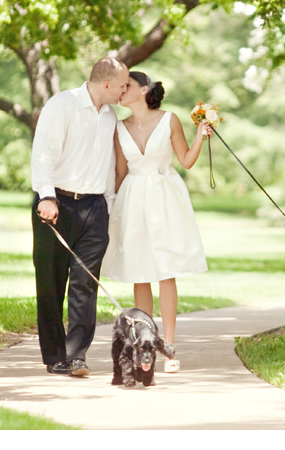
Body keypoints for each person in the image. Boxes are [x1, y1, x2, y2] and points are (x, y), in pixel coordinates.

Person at [101, 71, 211, 373]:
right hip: (133, 198)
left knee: (166, 270)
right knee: (139, 270)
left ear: (144, 89)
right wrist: (109, 206)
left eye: (128, 86)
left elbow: (186, 160)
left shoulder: (170, 119)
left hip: (165, 198)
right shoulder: (119, 127)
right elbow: (121, 171)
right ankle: (143, 345)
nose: (122, 90)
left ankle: (170, 349)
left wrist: (201, 135)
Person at [31, 56, 129, 377]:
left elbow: (109, 164)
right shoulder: (62, 106)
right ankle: (54, 354)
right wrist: (46, 195)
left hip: (94, 208)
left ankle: (76, 356)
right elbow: (43, 152)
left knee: (85, 285)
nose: (125, 90)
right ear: (106, 84)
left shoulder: (110, 116)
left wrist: (109, 209)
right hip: (56, 204)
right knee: (52, 282)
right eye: (123, 85)